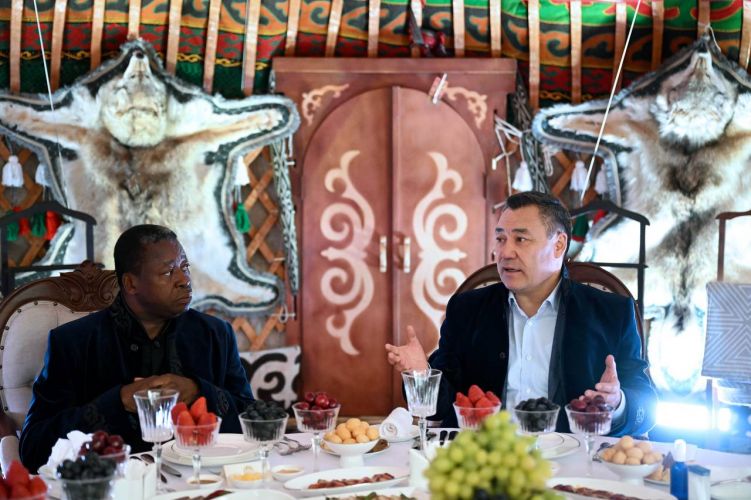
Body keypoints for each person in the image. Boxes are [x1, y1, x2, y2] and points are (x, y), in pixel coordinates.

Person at [385, 191, 657, 436]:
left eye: (521, 239)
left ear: (559, 245)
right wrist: (421, 374)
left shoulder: (612, 313)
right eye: (501, 239)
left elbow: (647, 411)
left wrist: (617, 402)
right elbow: (440, 408)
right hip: (486, 458)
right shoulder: (467, 310)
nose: (504, 252)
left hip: (574, 460)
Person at [20, 225, 254, 471]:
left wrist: (198, 391)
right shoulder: (73, 343)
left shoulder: (215, 334)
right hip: (113, 484)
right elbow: (34, 449)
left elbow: (254, 422)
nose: (184, 281)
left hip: (203, 479)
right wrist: (118, 402)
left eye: (185, 267)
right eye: (168, 272)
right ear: (131, 283)